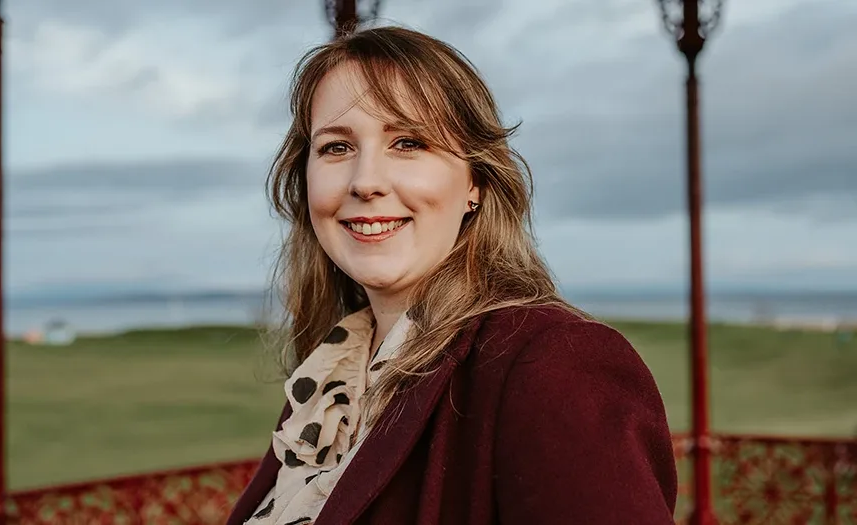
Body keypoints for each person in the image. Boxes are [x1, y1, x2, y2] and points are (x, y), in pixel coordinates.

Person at [226, 26, 677, 525]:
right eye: (336, 148)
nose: (366, 182)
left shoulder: (556, 365)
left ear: (475, 183)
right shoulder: (328, 381)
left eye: (408, 142)